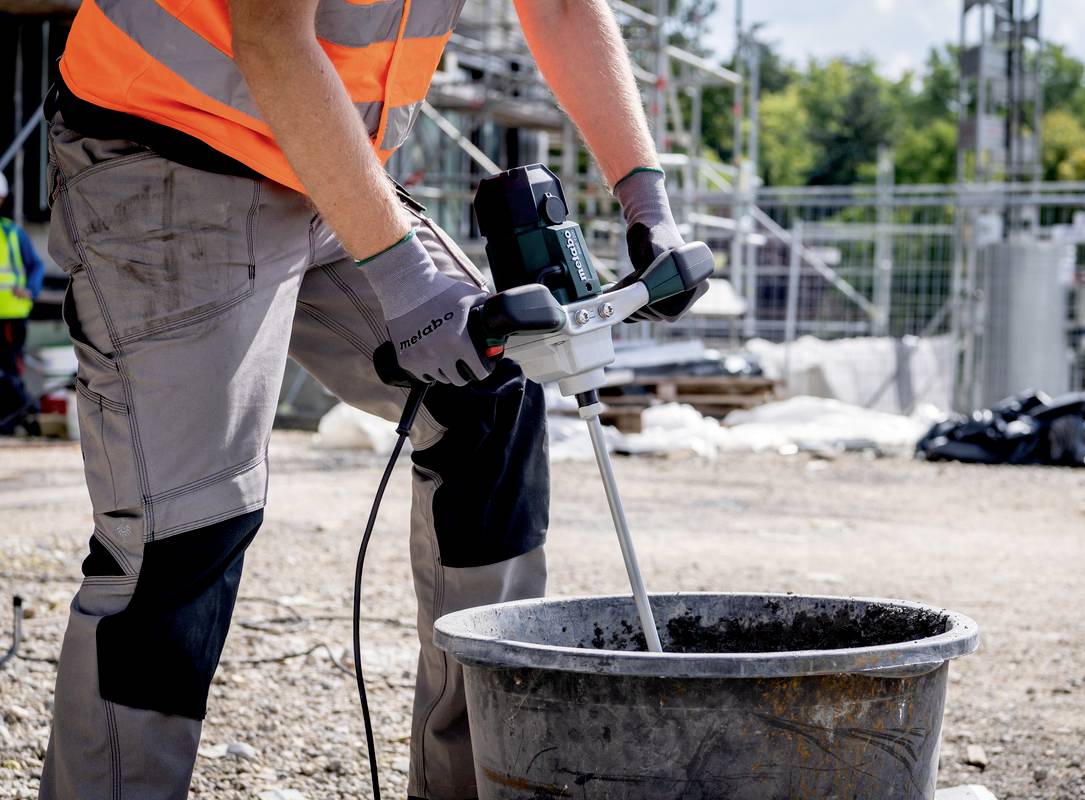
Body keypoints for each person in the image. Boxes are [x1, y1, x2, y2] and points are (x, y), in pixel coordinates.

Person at [38, 1, 707, 799]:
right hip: (166, 151)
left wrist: (648, 204)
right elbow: (268, 33)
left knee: (487, 402)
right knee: (179, 533)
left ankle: (468, 780)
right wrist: (401, 276)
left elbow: (563, 6)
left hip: (326, 162)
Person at [0, 171, 46, 435]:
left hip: (9, 316)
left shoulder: (12, 234)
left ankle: (16, 419)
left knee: (9, 372)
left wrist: (30, 290)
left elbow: (36, 266)